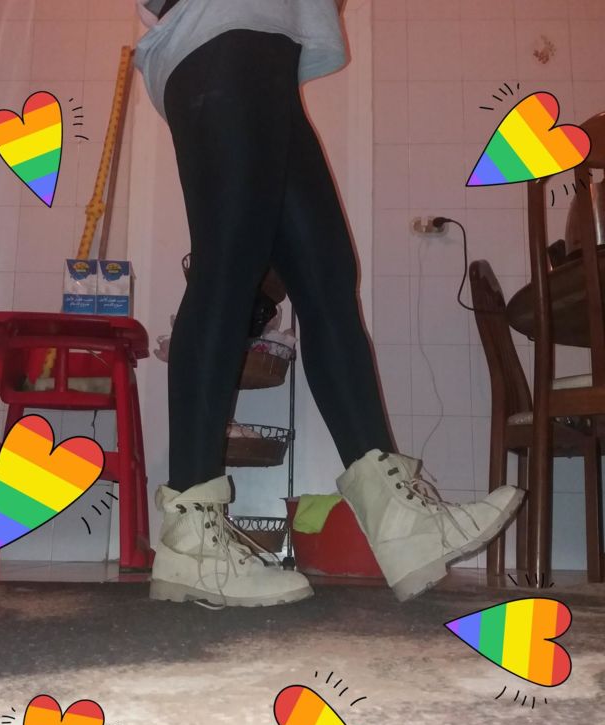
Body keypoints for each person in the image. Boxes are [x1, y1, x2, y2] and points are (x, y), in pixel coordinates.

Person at [134, 0, 525, 608]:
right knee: (228, 266)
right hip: (219, 29)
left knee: (328, 278)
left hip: (264, 43)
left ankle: (401, 521)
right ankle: (192, 542)